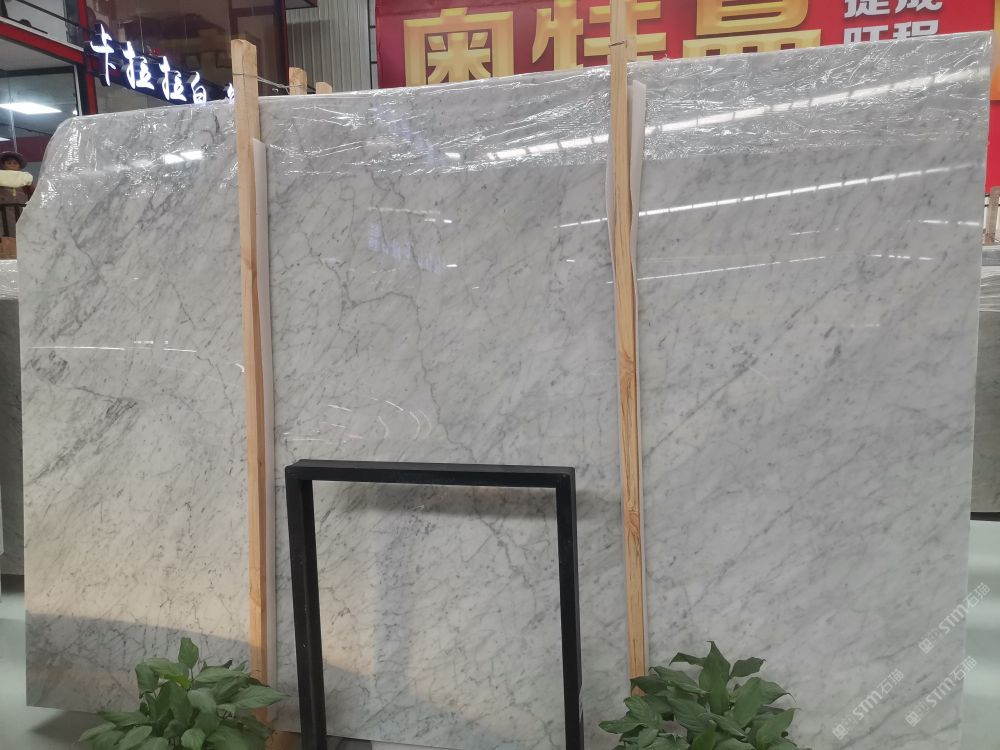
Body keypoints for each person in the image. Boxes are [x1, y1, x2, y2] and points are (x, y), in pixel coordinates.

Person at [0, 151, 32, 237]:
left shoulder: (24, 177)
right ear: (3, 165)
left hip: (21, 208)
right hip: (3, 210)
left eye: (15, 163)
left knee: (23, 229)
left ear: (19, 166)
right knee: (5, 230)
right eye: (9, 163)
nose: (12, 165)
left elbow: (33, 191)